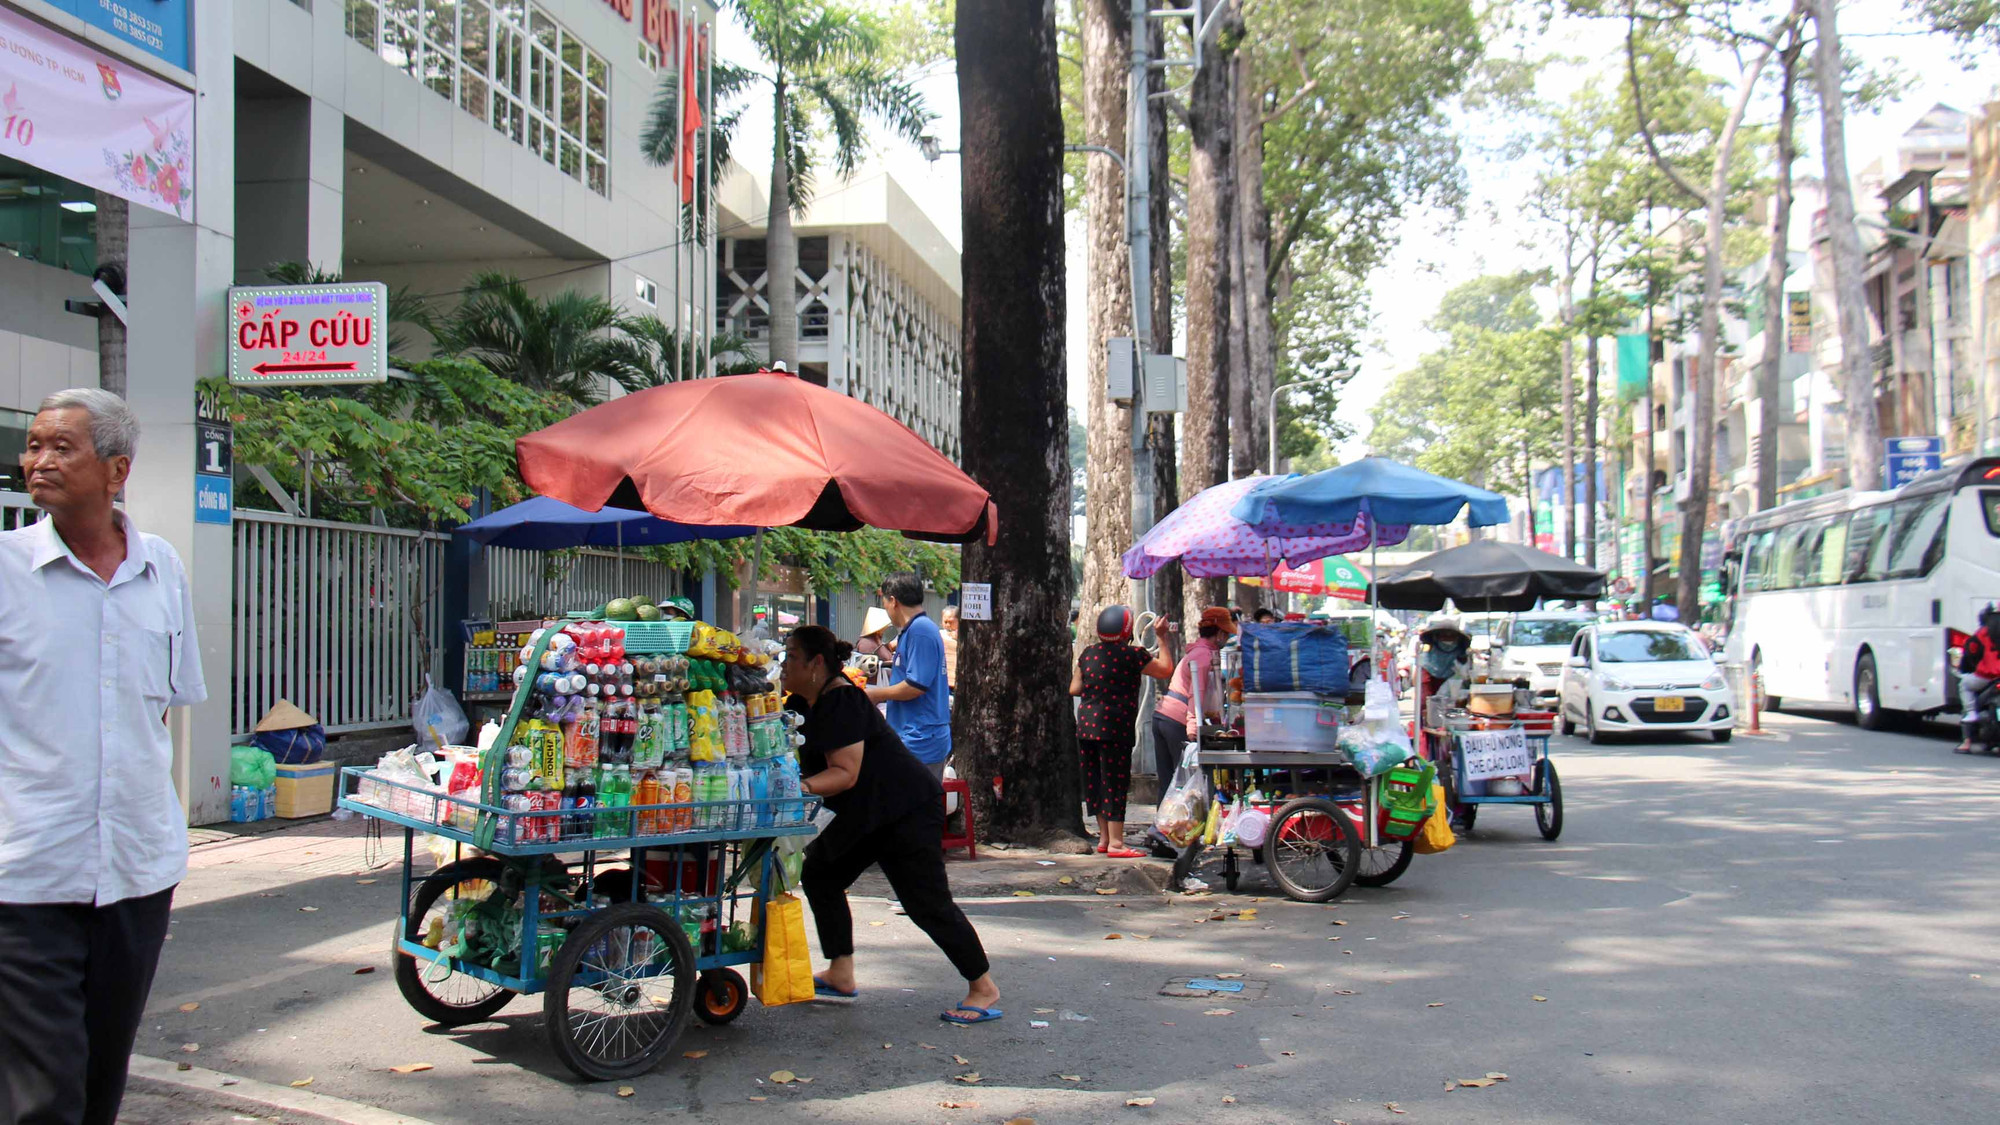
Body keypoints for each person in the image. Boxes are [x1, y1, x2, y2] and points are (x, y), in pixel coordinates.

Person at [0, 389, 207, 1125]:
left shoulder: (163, 569)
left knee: (98, 1083)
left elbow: (162, 709)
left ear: (117, 469)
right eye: (34, 445)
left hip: (137, 872)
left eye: (62, 447)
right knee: (41, 1095)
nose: (39, 461)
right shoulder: (6, 568)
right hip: (28, 877)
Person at [783, 626, 1002, 1024]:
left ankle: (982, 986)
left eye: (791, 657)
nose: (783, 665)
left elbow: (844, 773)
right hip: (865, 812)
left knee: (925, 903)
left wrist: (798, 788)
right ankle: (841, 971)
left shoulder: (842, 700)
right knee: (820, 874)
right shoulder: (802, 702)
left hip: (905, 809)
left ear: (816, 664)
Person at [1070, 606, 1175, 857]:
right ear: (1127, 630)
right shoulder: (1133, 655)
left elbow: (1074, 688)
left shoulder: (1088, 653)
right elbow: (1165, 669)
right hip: (1116, 727)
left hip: (1087, 726)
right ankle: (1117, 844)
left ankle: (1105, 839)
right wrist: (1162, 637)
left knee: (1096, 781)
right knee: (1115, 782)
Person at [867, 573, 953, 780]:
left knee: (916, 806)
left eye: (884, 602)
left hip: (921, 738)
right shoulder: (913, 630)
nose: (886, 609)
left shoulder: (920, 631)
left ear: (893, 601)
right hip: (914, 735)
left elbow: (916, 686)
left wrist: (876, 694)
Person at [1151, 607, 1236, 787]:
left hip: (1163, 717)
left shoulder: (1199, 651)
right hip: (1176, 720)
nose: (1228, 638)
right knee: (1185, 784)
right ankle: (1179, 816)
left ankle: (1164, 815)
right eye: (1227, 634)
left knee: (1168, 784)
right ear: (1219, 633)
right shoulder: (1204, 656)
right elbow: (1197, 693)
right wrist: (1192, 729)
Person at [1955, 603, 2000, 754]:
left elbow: (1971, 650)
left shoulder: (1985, 630)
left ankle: (1967, 735)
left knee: (1965, 685)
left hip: (1986, 676)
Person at [939, 605, 961, 692]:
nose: (948, 625)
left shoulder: (965, 638)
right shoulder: (939, 634)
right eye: (945, 622)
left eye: (951, 622)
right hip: (943, 682)